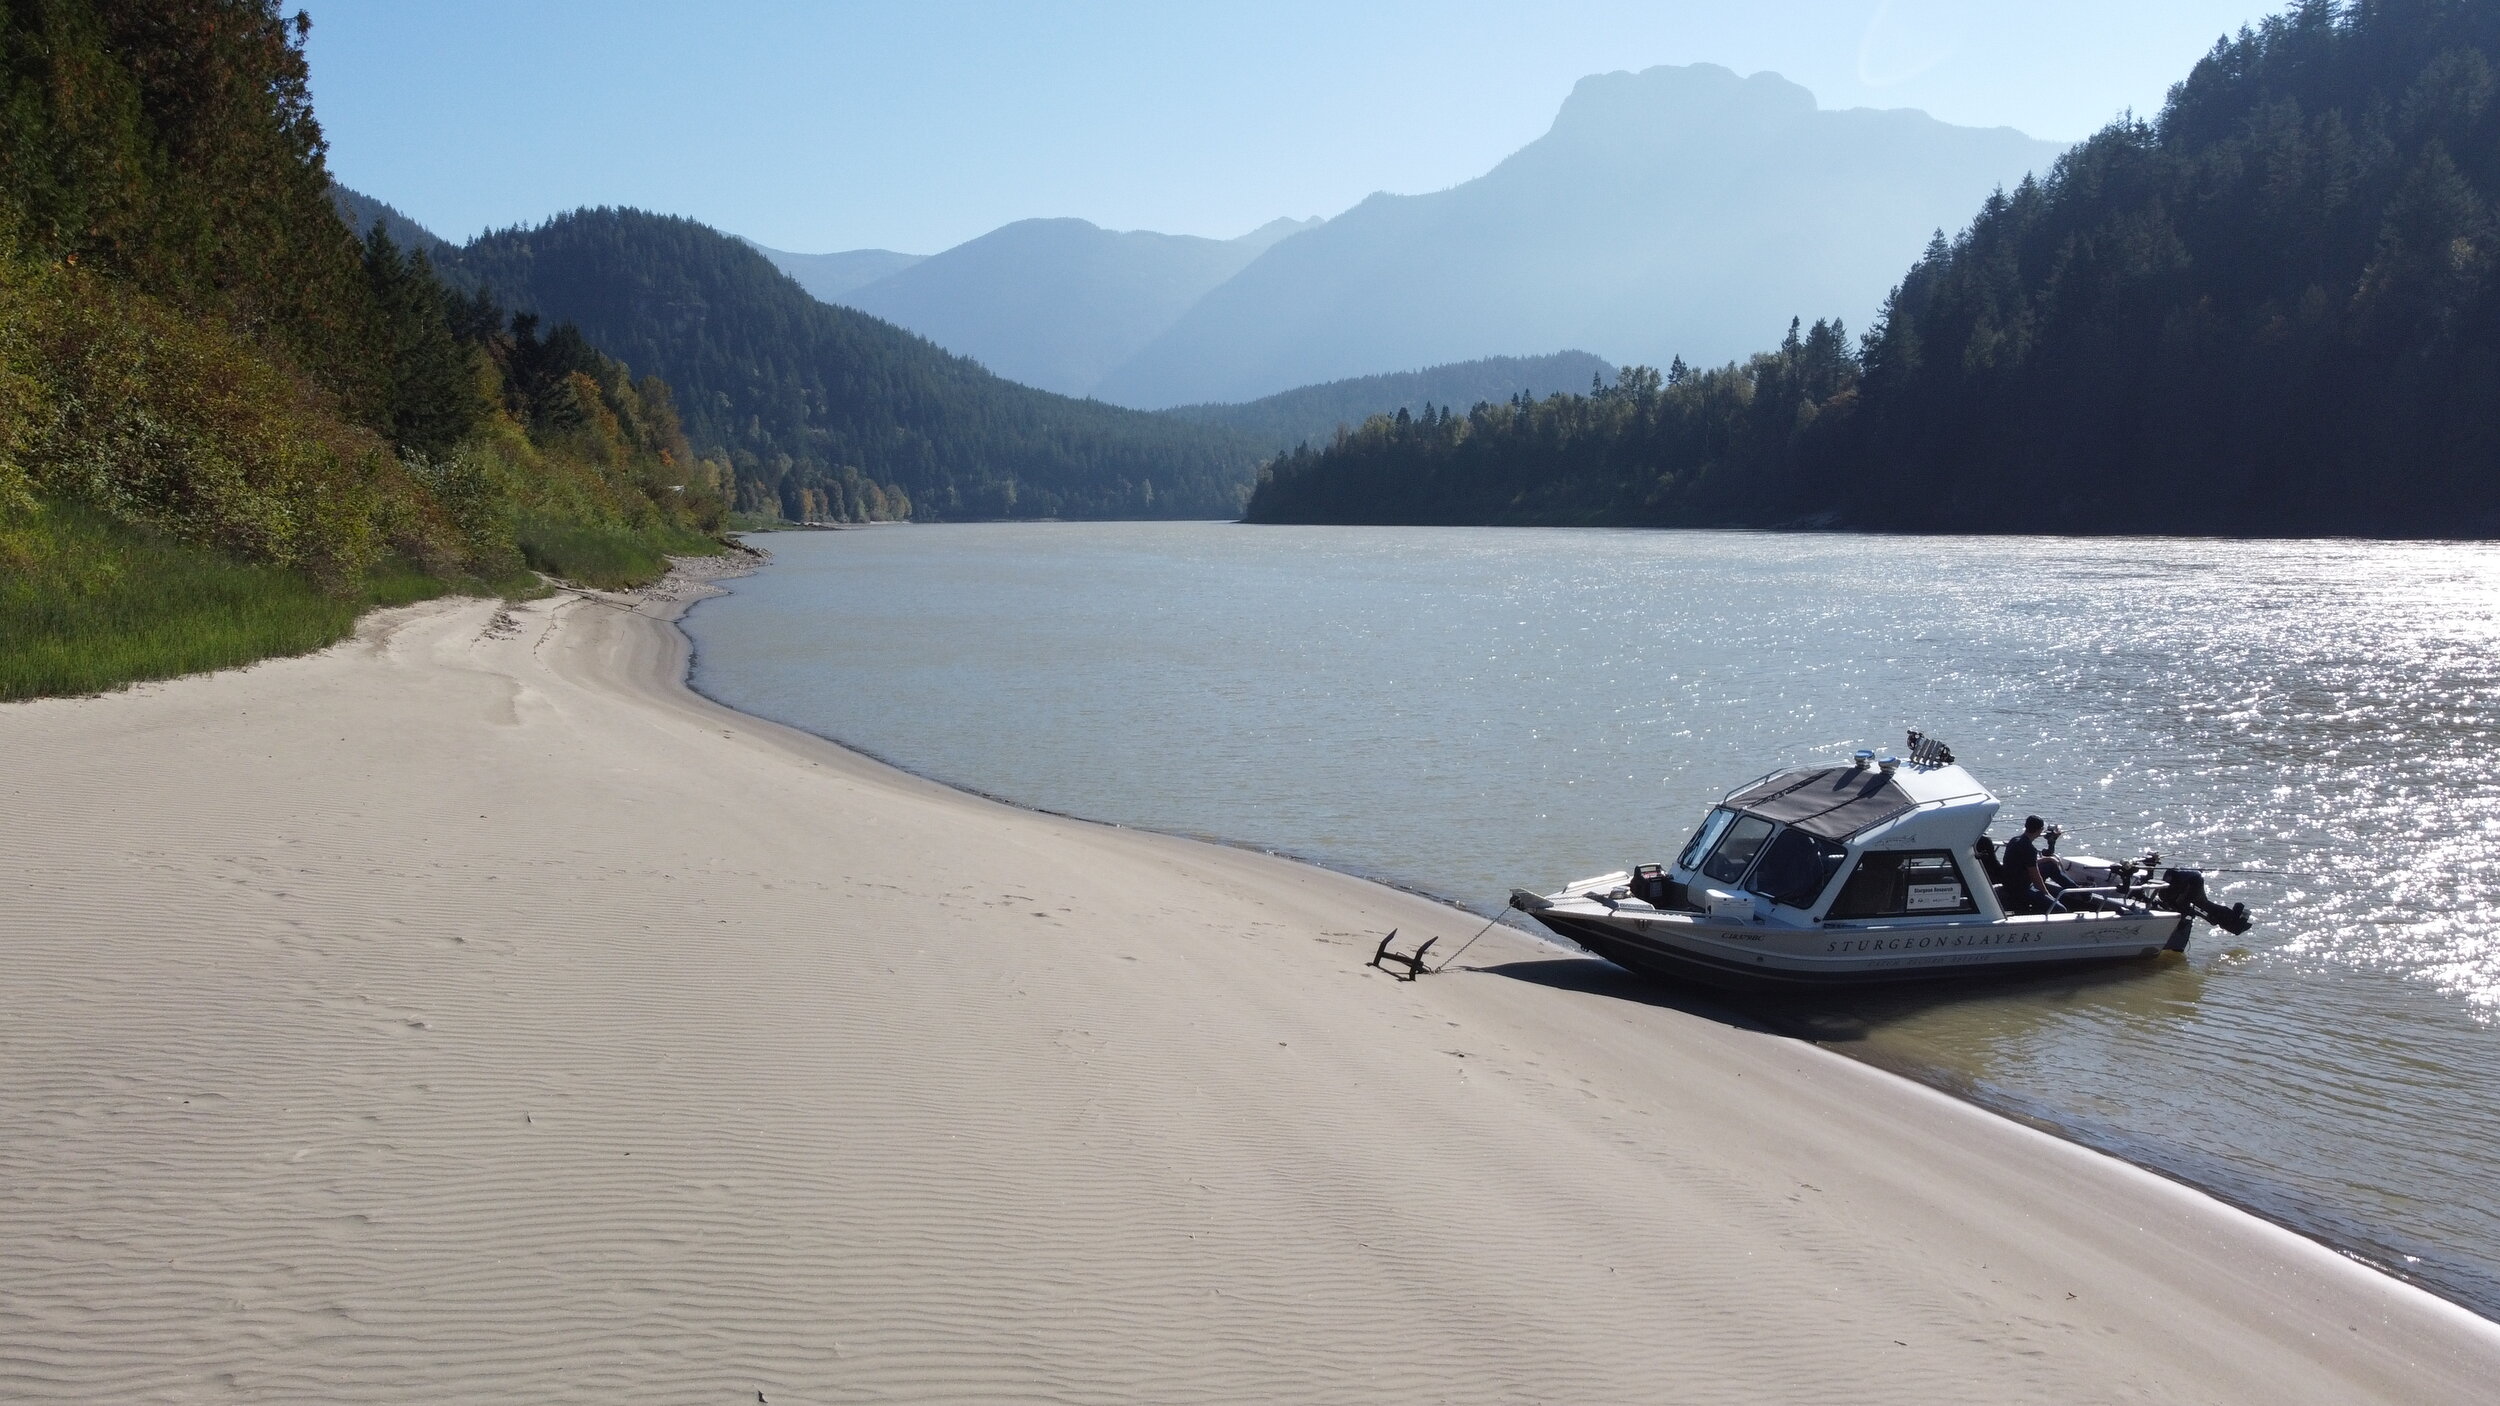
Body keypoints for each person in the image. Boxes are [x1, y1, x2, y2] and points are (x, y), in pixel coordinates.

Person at [1998, 815, 2054, 915]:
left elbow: (2026, 862)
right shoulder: (2029, 849)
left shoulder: (2014, 840)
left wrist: (2047, 859)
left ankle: (2075, 889)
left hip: (2010, 882)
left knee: (2049, 864)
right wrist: (2048, 895)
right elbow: (2035, 878)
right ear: (2040, 830)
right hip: (2021, 889)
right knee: (2060, 909)